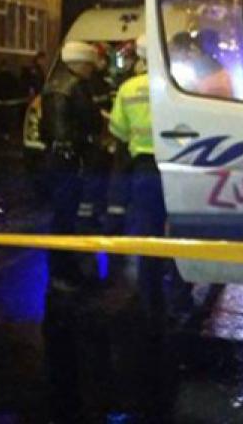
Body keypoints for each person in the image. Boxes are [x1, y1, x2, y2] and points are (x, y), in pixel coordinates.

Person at [108, 35, 189, 324]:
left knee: (149, 236)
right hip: (177, 168)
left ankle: (148, 300)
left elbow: (118, 131)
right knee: (181, 235)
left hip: (144, 170)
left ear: (140, 56)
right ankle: (180, 298)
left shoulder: (128, 89)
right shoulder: (178, 86)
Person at [39, 41, 105, 290]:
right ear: (80, 63)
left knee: (64, 214)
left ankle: (65, 268)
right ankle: (62, 271)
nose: (91, 69)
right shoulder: (73, 86)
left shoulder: (57, 83)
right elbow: (81, 124)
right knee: (64, 216)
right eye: (89, 64)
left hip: (60, 158)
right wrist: (84, 145)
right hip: (68, 160)